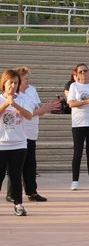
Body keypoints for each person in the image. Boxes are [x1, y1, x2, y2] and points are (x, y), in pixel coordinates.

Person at [6, 67, 59, 204]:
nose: (28, 81)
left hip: (32, 132)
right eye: (25, 79)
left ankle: (32, 192)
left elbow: (35, 108)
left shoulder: (32, 90)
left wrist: (45, 109)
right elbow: (27, 114)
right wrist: (41, 111)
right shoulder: (14, 97)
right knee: (16, 167)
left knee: (30, 164)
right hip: (19, 133)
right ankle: (11, 194)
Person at [0, 69, 33, 216]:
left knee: (15, 176)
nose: (13, 86)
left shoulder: (23, 98)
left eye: (15, 83)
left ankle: (18, 204)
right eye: (10, 83)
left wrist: (15, 104)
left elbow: (29, 115)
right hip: (1, 144)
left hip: (19, 144)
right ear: (4, 84)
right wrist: (7, 103)